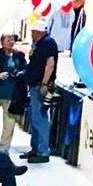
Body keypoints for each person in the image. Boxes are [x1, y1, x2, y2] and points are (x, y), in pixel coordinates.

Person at [22, 22, 59, 164]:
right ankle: (35, 148)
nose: (31, 35)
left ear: (39, 31)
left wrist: (44, 83)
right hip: (35, 84)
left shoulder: (47, 43)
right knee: (35, 118)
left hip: (40, 85)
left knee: (41, 119)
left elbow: (50, 64)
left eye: (33, 32)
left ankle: (43, 151)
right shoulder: (39, 43)